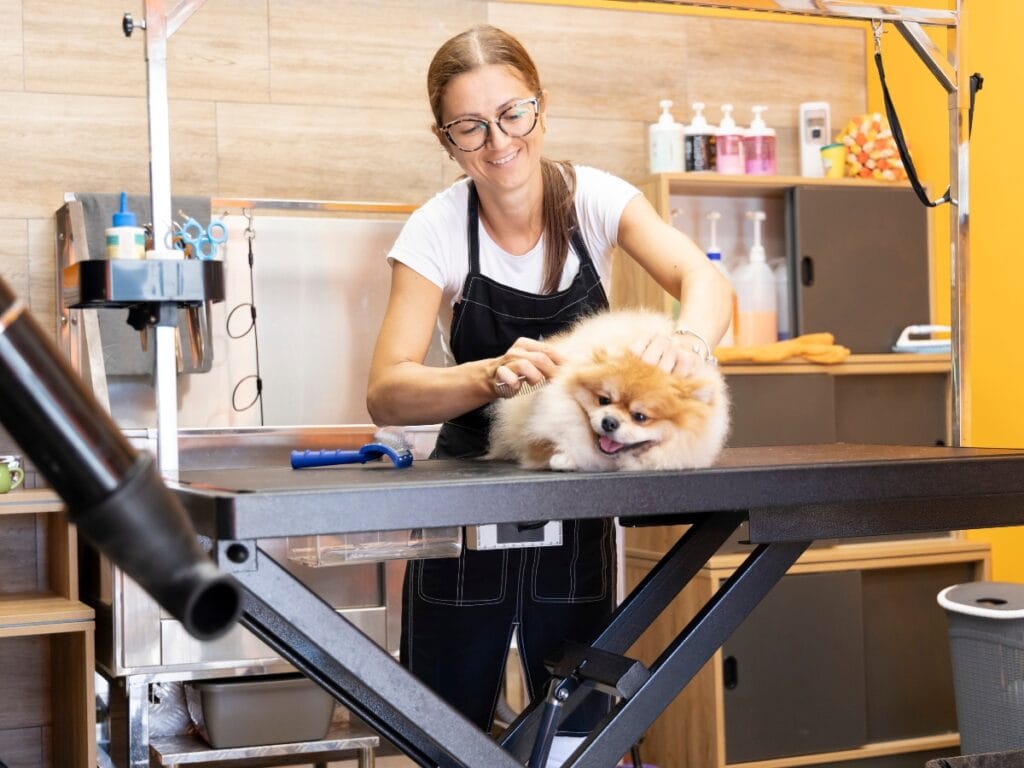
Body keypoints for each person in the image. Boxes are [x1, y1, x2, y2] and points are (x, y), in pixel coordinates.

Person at [367, 23, 732, 763]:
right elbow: (388, 393)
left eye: (511, 115)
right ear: (447, 141)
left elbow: (706, 282)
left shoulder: (595, 198)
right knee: (444, 729)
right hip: (464, 508)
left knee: (580, 732)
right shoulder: (435, 230)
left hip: (575, 501)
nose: (498, 142)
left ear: (540, 108)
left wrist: (690, 341)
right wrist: (486, 375)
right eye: (470, 127)